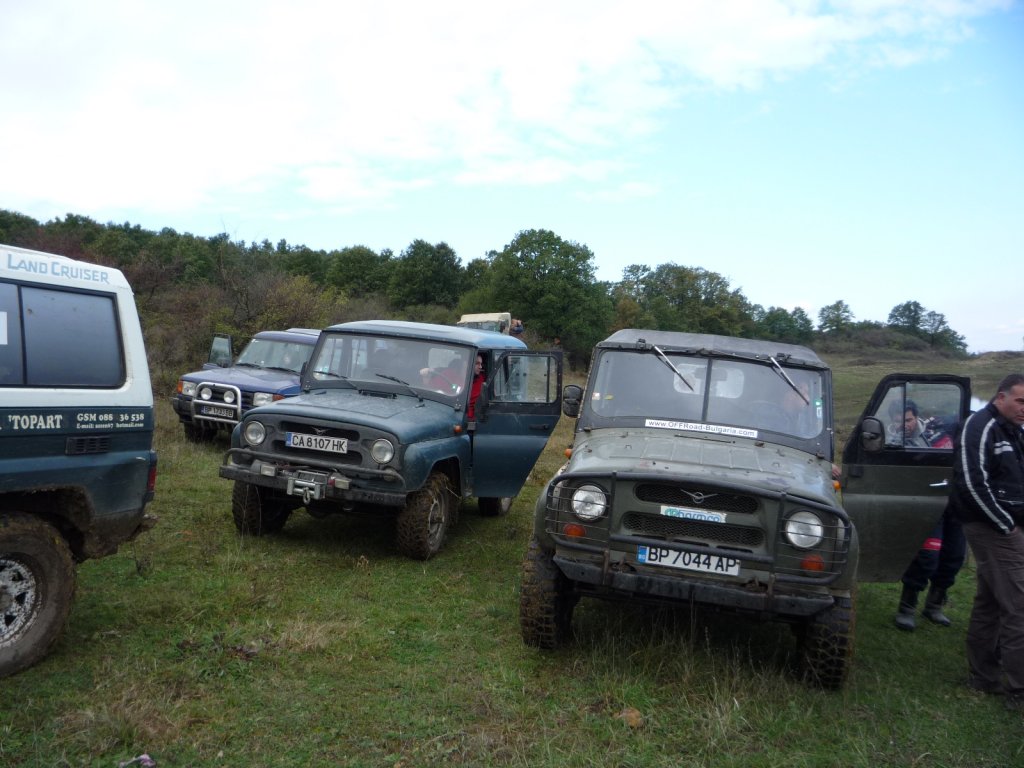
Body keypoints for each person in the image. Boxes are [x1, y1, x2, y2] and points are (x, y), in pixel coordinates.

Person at [948, 373, 1024, 709]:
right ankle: (1019, 690)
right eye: (1020, 401)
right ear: (1001, 396)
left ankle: (983, 676)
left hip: (1005, 526)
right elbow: (971, 483)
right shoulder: (980, 426)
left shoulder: (1013, 430)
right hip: (991, 528)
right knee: (1019, 607)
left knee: (990, 601)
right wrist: (1005, 525)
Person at [891, 401, 966, 631]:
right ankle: (906, 608)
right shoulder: (892, 443)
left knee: (953, 557)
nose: (905, 425)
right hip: (926, 504)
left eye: (909, 419)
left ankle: (934, 606)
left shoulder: (939, 428)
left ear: (917, 417)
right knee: (927, 557)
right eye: (899, 421)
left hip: (954, 502)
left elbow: (968, 418)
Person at [467, 354, 485, 419]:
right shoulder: (460, 379)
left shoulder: (482, 379)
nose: (480, 367)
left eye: (481, 364)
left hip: (475, 418)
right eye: (477, 363)